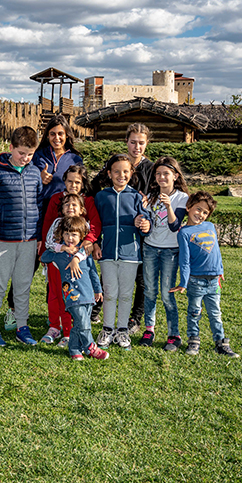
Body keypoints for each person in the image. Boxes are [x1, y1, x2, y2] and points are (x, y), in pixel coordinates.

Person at [4, 115, 83, 330]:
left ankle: (59, 317)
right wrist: (39, 177)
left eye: (60, 134)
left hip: (64, 223)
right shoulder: (38, 156)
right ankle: (13, 310)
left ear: (67, 135)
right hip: (37, 218)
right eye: (52, 134)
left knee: (59, 272)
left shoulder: (75, 159)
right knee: (26, 269)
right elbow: (23, 176)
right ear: (46, 136)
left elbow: (80, 187)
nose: (57, 138)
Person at [0, 126, 42, 347]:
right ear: (11, 147)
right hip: (3, 238)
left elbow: (39, 204)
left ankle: (22, 326)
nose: (25, 158)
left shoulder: (35, 172)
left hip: (29, 240)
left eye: (30, 154)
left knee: (23, 285)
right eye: (21, 153)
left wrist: (39, 235)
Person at [90, 123, 154, 330]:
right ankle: (96, 309)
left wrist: (147, 204)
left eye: (141, 143)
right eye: (133, 142)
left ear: (146, 144)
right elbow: (95, 184)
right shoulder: (116, 164)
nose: (137, 146)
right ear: (126, 142)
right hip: (115, 226)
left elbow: (161, 187)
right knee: (109, 269)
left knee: (140, 277)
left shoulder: (150, 168)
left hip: (141, 226)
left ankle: (134, 317)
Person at [169, 192, 239, 357]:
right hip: (195, 282)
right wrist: (184, 282)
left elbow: (216, 251)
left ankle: (221, 342)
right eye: (198, 209)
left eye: (205, 212)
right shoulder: (184, 233)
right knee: (194, 312)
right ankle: (193, 341)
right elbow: (184, 261)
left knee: (215, 313)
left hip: (214, 281)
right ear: (188, 207)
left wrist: (220, 271)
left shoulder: (210, 226)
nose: (200, 214)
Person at [94, 154, 151, 351]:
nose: (121, 175)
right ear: (109, 173)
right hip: (108, 253)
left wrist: (143, 223)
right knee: (109, 293)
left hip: (130, 255)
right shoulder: (101, 197)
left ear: (131, 173)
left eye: (125, 171)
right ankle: (107, 329)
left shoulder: (137, 197)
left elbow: (147, 221)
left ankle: (122, 330)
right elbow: (95, 224)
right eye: (116, 171)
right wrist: (95, 244)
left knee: (126, 294)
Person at [41, 216, 108, 361]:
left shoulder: (84, 253)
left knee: (80, 324)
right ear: (61, 234)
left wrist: (98, 290)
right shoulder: (59, 254)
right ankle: (90, 347)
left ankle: (75, 349)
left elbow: (92, 272)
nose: (70, 238)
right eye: (66, 234)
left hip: (88, 294)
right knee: (83, 323)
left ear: (82, 236)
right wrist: (59, 247)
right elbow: (44, 257)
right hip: (72, 296)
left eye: (74, 234)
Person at [139, 156, 189, 349]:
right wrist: (143, 220)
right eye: (158, 174)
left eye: (166, 174)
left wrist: (168, 206)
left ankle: (173, 334)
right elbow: (148, 223)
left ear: (175, 176)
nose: (161, 177)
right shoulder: (150, 196)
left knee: (167, 294)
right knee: (149, 291)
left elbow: (174, 225)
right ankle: (149, 329)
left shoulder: (182, 198)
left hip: (170, 251)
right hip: (150, 248)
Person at [39, 192, 95, 347]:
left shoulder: (84, 224)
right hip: (56, 266)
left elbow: (87, 245)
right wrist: (62, 247)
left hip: (75, 269)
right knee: (54, 296)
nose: (70, 207)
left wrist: (77, 256)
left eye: (74, 204)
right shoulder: (57, 222)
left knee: (69, 297)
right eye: (67, 204)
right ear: (62, 208)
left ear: (82, 209)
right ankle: (54, 327)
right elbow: (49, 243)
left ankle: (68, 332)